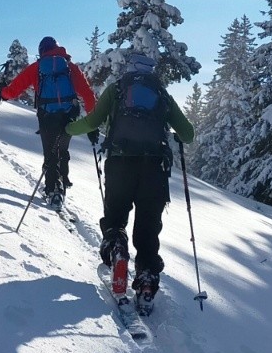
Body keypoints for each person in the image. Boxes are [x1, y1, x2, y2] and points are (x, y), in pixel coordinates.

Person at [65, 52, 194, 300]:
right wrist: (177, 136)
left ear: (130, 68)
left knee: (115, 216)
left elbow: (93, 121)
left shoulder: (117, 89)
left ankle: (117, 249)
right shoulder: (162, 94)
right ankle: (146, 279)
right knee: (147, 229)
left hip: (120, 164)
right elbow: (187, 133)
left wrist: (68, 128)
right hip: (154, 170)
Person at [0, 36, 96, 207]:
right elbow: (88, 95)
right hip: (69, 116)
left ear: (41, 51)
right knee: (62, 149)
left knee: (50, 153)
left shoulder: (37, 68)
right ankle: (62, 182)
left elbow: (14, 91)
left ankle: (53, 190)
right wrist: (93, 120)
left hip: (47, 117)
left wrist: (3, 92)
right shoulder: (70, 68)